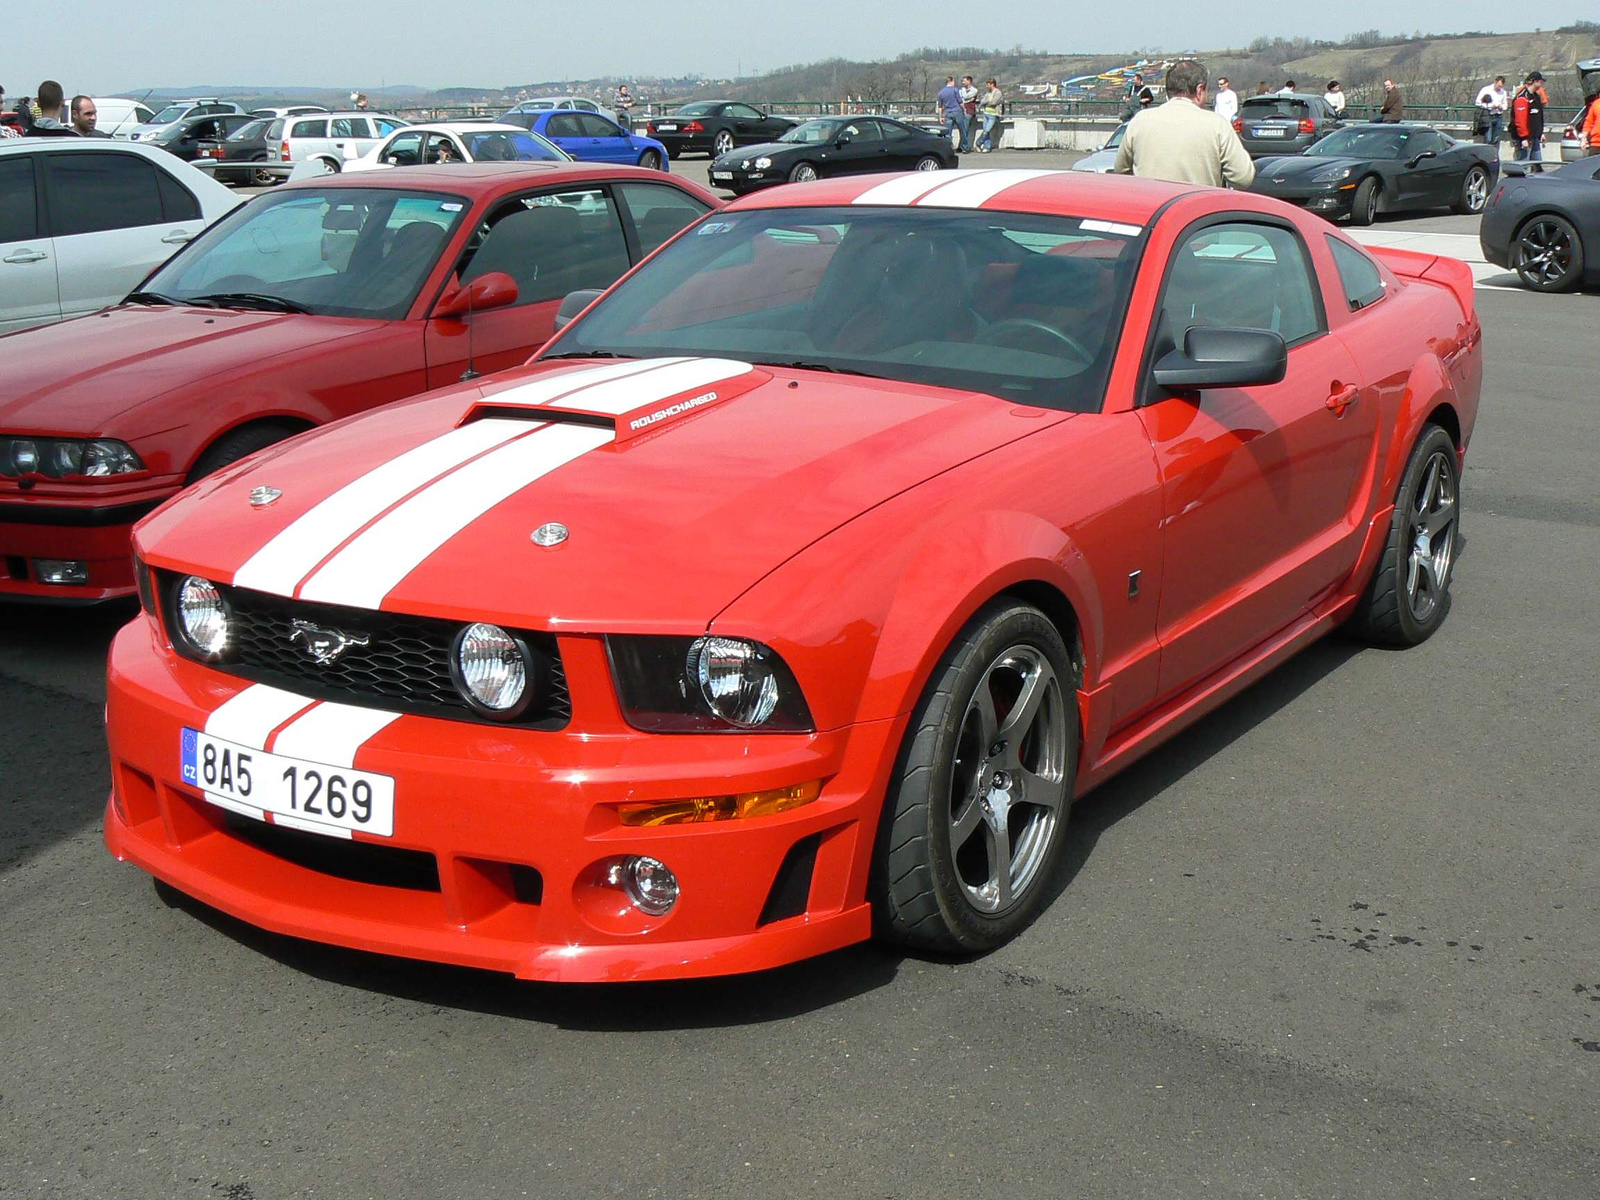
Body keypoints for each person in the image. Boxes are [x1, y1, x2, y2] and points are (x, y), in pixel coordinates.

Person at [1113, 59, 1254, 189]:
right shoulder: (1217, 125)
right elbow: (1243, 177)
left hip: (1150, 210)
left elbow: (1120, 170)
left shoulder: (1140, 121)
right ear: (1199, 90)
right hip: (1198, 211)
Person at [1521, 72, 1548, 164]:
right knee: (1524, 165)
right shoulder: (1523, 96)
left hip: (1536, 136)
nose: (1541, 85)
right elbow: (1520, 120)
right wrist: (1523, 138)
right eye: (1540, 82)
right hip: (1526, 137)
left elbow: (1539, 117)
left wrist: (1541, 132)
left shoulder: (1536, 97)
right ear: (1535, 81)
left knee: (1537, 166)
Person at [1474, 76, 1508, 145]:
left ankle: (1494, 153)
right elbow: (1478, 102)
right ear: (1495, 82)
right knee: (1488, 138)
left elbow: (1505, 105)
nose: (1499, 88)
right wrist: (1490, 106)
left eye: (1501, 86)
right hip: (1488, 115)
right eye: (1498, 86)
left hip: (1498, 116)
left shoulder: (1503, 92)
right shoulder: (1486, 90)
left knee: (1496, 138)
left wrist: (1501, 107)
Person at [937, 76, 964, 150]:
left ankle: (949, 147)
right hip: (957, 111)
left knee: (948, 132)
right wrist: (964, 109)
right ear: (951, 81)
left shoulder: (941, 93)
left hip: (947, 112)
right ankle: (963, 147)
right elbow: (960, 102)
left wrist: (941, 117)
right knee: (962, 130)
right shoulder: (955, 90)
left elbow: (940, 107)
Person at [976, 78, 1003, 152]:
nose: (986, 86)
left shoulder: (998, 92)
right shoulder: (988, 94)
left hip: (993, 114)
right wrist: (987, 102)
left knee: (987, 130)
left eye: (988, 84)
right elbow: (982, 102)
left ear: (992, 84)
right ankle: (987, 147)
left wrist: (986, 102)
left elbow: (994, 102)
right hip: (986, 113)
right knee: (985, 130)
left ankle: (978, 143)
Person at [958, 75, 979, 152]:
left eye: (964, 81)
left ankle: (964, 147)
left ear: (969, 81)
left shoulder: (974, 90)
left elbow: (965, 96)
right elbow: (961, 98)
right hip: (962, 110)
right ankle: (962, 146)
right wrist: (967, 99)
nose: (963, 82)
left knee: (965, 129)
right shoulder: (961, 90)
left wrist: (965, 99)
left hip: (970, 111)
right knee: (963, 129)